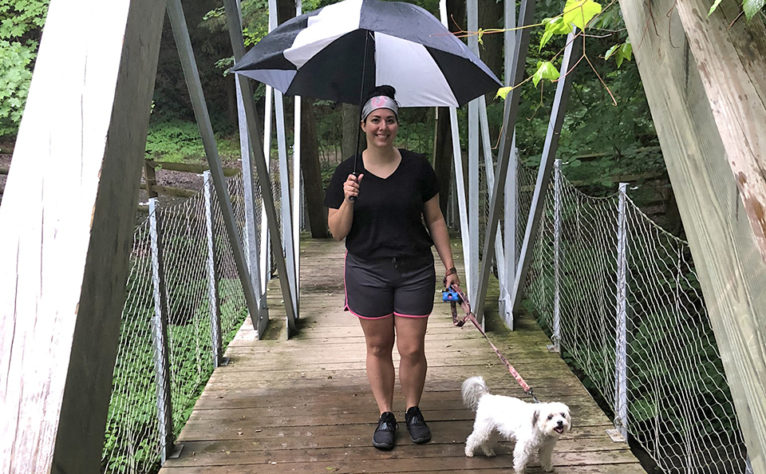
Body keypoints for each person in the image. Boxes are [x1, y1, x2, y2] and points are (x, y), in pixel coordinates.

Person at [324, 85, 461, 450]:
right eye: (375, 120)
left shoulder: (418, 167)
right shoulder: (346, 173)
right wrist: (348, 198)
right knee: (379, 346)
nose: (382, 127)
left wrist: (450, 267)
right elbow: (337, 232)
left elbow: (434, 220)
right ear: (364, 125)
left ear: (397, 125)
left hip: (415, 269)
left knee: (413, 348)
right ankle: (386, 414)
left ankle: (413, 409)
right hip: (367, 270)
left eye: (389, 120)